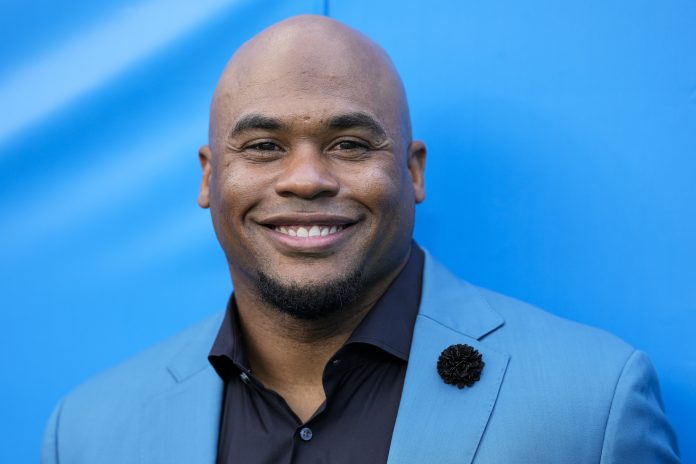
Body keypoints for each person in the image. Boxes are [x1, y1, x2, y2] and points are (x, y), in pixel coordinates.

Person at [41, 15, 680, 464]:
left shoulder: (594, 403)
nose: (307, 179)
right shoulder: (88, 432)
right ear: (211, 177)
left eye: (350, 144)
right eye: (263, 147)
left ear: (413, 170)